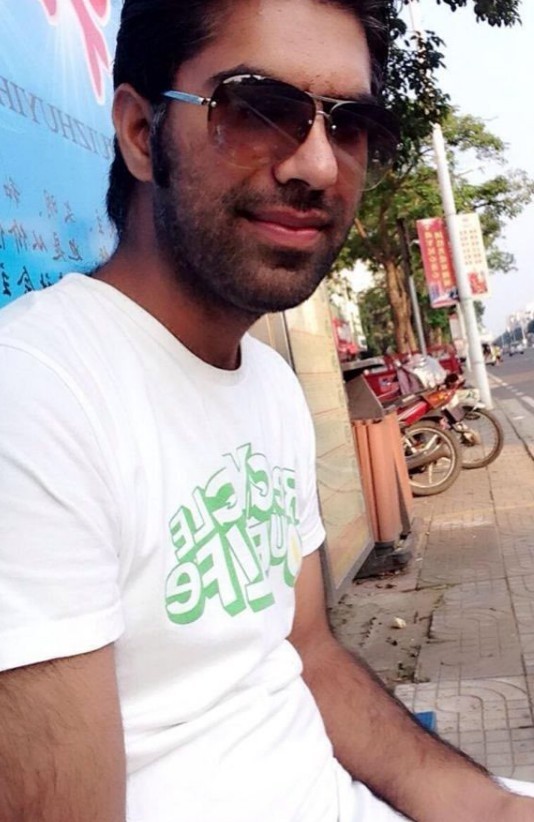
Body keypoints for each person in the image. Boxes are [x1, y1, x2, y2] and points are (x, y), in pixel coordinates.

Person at [1, 1, 534, 820]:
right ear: (141, 133)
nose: (318, 164)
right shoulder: (38, 393)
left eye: (349, 124)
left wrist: (485, 804)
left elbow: (310, 655)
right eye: (255, 107)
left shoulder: (271, 387)